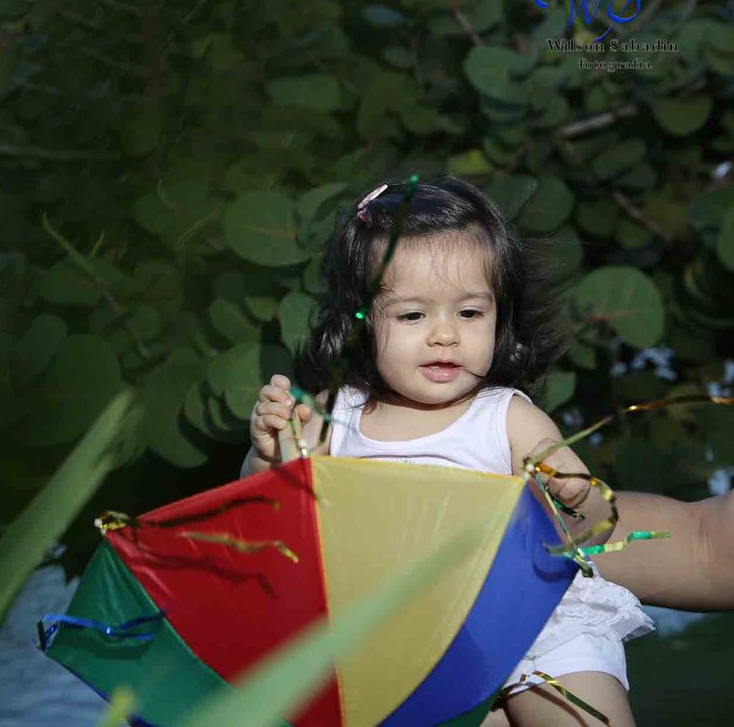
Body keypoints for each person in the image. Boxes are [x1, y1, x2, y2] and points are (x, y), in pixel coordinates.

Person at [241, 176, 648, 725]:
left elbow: (592, 515)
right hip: (409, 642)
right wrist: (269, 456)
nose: (444, 336)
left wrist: (572, 494)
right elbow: (268, 511)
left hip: (528, 614)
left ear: (499, 315)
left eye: (469, 313)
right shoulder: (338, 417)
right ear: (362, 323)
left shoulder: (505, 415)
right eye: (413, 316)